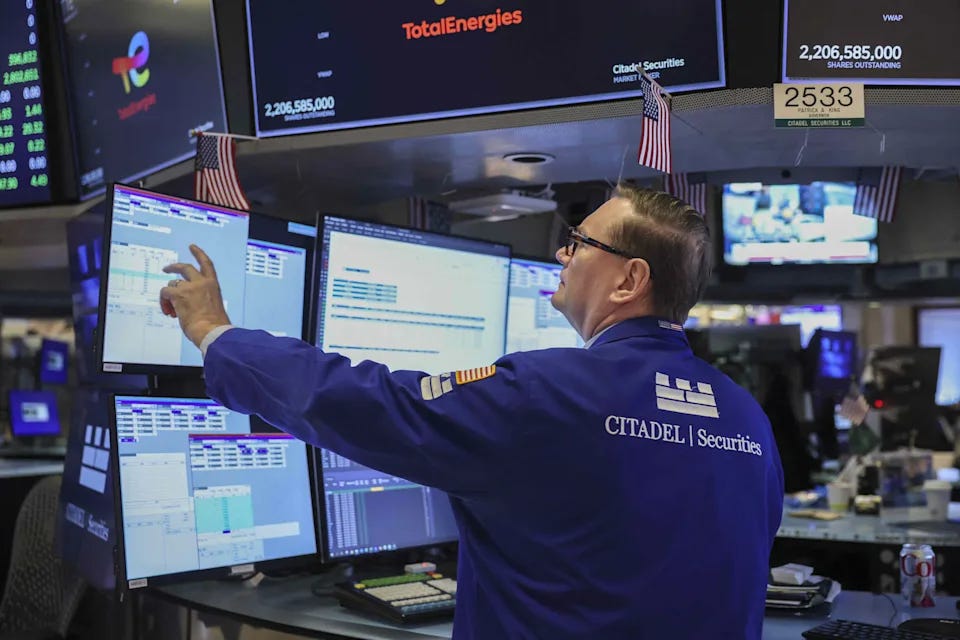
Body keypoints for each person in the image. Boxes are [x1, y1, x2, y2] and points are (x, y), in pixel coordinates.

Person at [159, 185, 784, 640]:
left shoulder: (548, 394)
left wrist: (218, 335)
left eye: (580, 243)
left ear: (629, 280)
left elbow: (370, 402)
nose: (562, 255)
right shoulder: (748, 420)